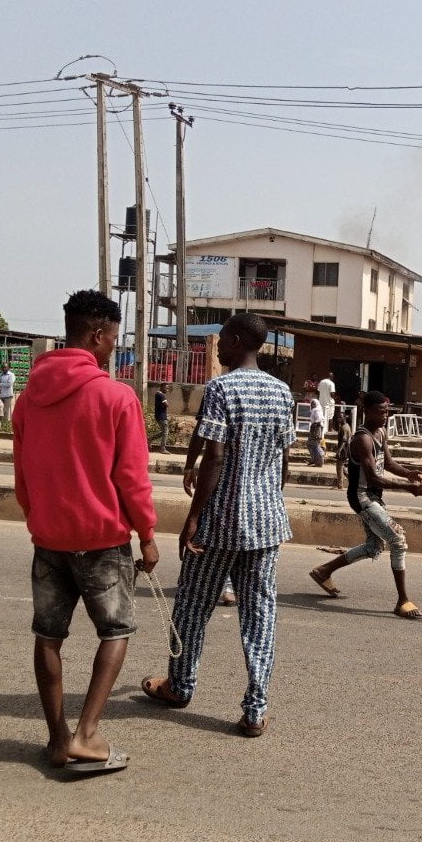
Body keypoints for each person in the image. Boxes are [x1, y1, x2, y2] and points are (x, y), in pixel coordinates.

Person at [14, 290, 158, 772]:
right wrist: (148, 534)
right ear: (97, 335)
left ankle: (58, 741)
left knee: (48, 637)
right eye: (113, 339)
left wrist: (39, 518)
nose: (112, 348)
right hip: (101, 537)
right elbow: (131, 477)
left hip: (48, 536)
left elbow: (23, 473)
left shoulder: (28, 396)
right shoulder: (117, 396)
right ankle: (87, 734)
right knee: (116, 632)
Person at [142, 313, 294, 738]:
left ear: (239, 339)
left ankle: (181, 684)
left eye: (222, 339)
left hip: (222, 522)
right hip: (266, 523)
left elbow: (217, 455)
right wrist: (267, 495)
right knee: (260, 615)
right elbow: (283, 462)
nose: (218, 347)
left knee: (192, 605)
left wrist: (192, 518)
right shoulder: (282, 392)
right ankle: (255, 708)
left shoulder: (222, 388)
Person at [309, 391, 422, 620]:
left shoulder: (381, 432)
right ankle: (402, 600)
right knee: (398, 540)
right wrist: (406, 487)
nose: (386, 416)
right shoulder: (361, 439)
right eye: (381, 412)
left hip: (373, 495)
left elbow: (389, 463)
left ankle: (324, 571)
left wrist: (408, 474)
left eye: (387, 411)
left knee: (374, 547)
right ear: (368, 411)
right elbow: (373, 478)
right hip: (363, 497)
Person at [181, 409, 235, 607]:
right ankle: (225, 584)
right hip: (230, 479)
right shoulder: (277, 391)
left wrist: (189, 466)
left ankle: (224, 583)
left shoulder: (220, 388)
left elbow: (201, 433)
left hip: (221, 478)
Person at [332, 403, 352, 489]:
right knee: (343, 468)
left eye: (340, 417)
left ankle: (340, 485)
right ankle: (353, 482)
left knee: (339, 467)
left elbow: (344, 440)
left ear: (344, 417)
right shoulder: (345, 426)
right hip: (346, 449)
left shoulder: (344, 428)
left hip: (343, 450)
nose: (339, 419)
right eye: (337, 418)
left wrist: (339, 451)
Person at [306, 391, 325, 467]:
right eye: (311, 403)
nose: (312, 405)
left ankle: (320, 461)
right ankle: (314, 459)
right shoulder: (314, 410)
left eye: (313, 404)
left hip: (316, 429)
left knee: (316, 445)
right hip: (314, 428)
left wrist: (315, 423)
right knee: (310, 444)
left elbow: (319, 419)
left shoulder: (317, 410)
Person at [153, 383, 170, 454]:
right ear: (162, 387)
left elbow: (164, 405)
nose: (167, 390)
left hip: (160, 416)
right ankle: (162, 449)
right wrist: (165, 404)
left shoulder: (158, 394)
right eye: (166, 388)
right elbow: (167, 405)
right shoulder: (161, 395)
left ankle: (149, 439)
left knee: (163, 432)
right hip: (161, 416)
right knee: (165, 432)